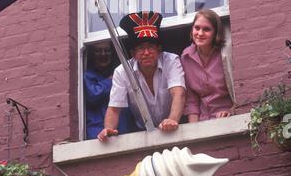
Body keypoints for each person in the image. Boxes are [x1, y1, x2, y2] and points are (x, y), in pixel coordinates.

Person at [97, 11, 186, 141]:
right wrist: (108, 128)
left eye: (151, 47)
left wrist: (172, 120)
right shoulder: (122, 71)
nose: (146, 52)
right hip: (143, 133)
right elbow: (114, 108)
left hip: (178, 127)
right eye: (140, 48)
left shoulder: (171, 61)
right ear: (133, 53)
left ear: (159, 48)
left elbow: (179, 94)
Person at [181, 9, 235, 123]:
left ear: (216, 33)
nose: (200, 33)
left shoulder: (225, 55)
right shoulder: (186, 57)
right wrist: (194, 132)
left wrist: (231, 112)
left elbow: (237, 91)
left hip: (227, 117)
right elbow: (191, 100)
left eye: (206, 29)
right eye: (197, 28)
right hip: (202, 121)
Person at [84, 40, 138, 139]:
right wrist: (112, 80)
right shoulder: (87, 75)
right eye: (98, 51)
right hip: (98, 133)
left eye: (107, 50)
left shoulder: (120, 72)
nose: (103, 54)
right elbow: (93, 95)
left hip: (126, 131)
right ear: (92, 54)